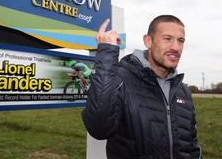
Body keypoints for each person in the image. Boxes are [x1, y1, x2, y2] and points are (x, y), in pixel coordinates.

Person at [82, 15, 202, 159]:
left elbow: (192, 145)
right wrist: (107, 55)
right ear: (148, 41)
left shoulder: (183, 91)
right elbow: (99, 129)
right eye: (167, 38)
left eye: (180, 41)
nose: (176, 47)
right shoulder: (121, 79)